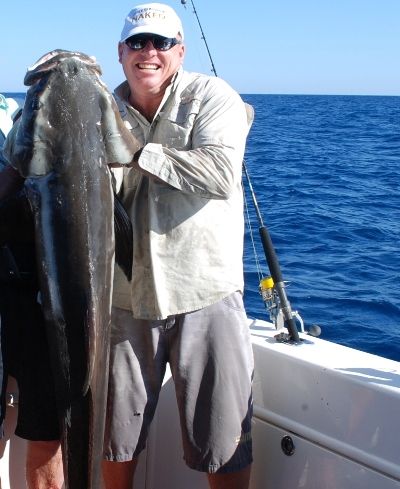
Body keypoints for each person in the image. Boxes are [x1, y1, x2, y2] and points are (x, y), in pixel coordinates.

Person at [102, 3, 254, 489]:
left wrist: (137, 154)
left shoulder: (213, 97)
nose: (149, 52)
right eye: (138, 43)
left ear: (180, 51)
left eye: (161, 43)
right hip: (124, 300)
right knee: (111, 436)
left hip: (204, 294)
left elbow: (219, 173)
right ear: (121, 53)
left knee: (222, 443)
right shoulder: (102, 109)